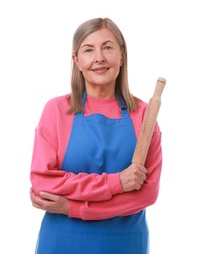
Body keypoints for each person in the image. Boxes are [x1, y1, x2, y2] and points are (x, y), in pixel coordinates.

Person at [30, 17, 162, 254]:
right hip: (63, 242)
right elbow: (42, 183)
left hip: (124, 244)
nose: (99, 57)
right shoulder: (57, 111)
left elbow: (147, 194)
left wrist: (74, 207)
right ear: (76, 61)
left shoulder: (143, 115)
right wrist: (117, 182)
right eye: (88, 50)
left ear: (122, 55)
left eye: (108, 47)